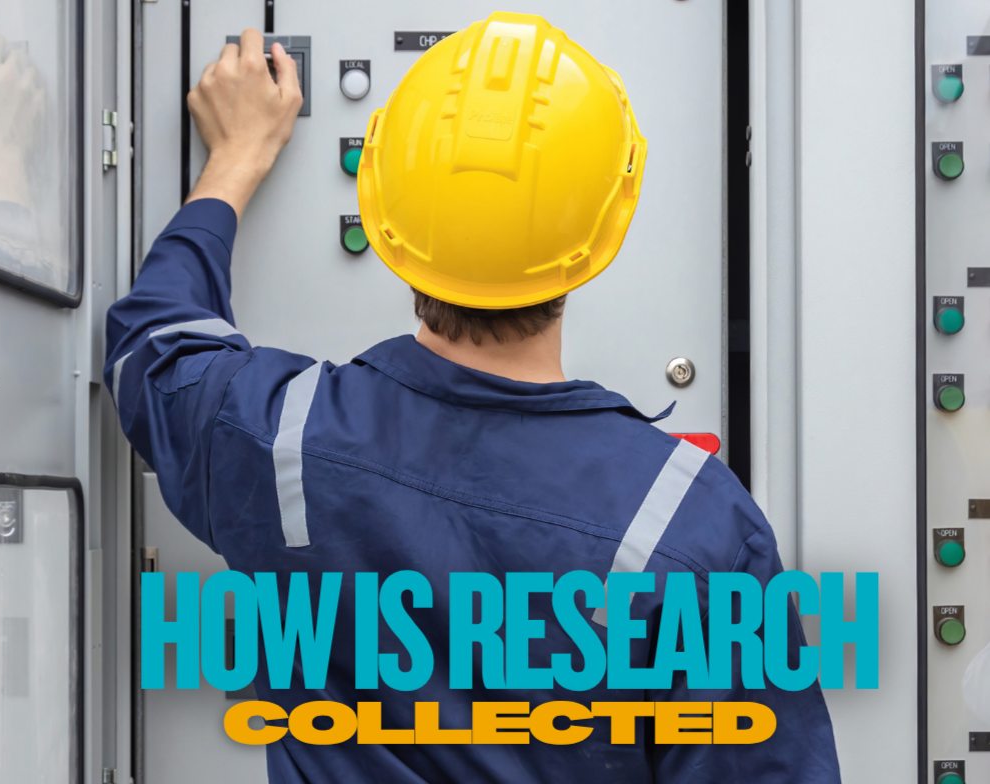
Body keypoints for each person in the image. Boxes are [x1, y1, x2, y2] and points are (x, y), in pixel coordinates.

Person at [106, 16, 840, 784]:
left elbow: (150, 343)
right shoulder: (695, 528)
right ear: (603, 231)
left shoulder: (279, 438)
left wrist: (236, 156)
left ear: (384, 209)